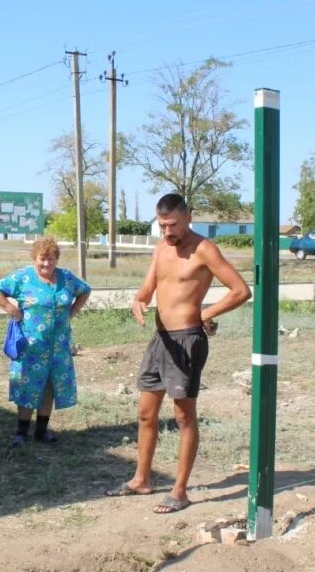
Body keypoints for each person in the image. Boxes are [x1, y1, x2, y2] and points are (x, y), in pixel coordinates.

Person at [107, 193, 251, 514]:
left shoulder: (204, 250)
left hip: (187, 340)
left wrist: (206, 313)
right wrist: (139, 303)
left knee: (183, 416)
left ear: (189, 217)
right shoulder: (161, 248)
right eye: (162, 226)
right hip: (160, 340)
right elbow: (147, 290)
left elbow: (241, 291)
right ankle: (141, 479)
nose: (167, 232)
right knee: (146, 413)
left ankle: (180, 490)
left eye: (172, 225)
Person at [0, 237, 91, 447]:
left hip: (58, 346)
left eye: (50, 259)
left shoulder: (67, 278)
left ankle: (42, 431)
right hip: (31, 346)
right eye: (42, 259)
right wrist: (12, 309)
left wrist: (74, 311)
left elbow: (85, 290)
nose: (46, 264)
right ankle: (21, 431)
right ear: (34, 258)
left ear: (56, 260)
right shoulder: (23, 277)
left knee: (49, 386)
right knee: (27, 384)